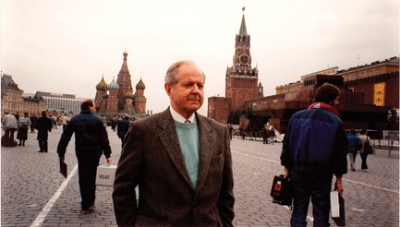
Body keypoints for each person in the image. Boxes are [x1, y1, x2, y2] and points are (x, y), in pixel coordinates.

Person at [112, 60, 235, 226]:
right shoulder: (143, 131)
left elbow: (226, 194)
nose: (196, 91)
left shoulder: (219, 132)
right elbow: (123, 190)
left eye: (200, 85)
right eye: (188, 85)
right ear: (169, 89)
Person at [280, 83, 348, 227]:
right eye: (336, 99)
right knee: (321, 213)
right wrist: (339, 179)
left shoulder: (296, 117)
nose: (337, 103)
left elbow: (287, 145)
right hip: (322, 175)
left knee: (298, 210)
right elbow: (340, 154)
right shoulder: (336, 121)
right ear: (329, 100)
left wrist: (287, 170)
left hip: (298, 172)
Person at [57, 99, 112, 214]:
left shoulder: (75, 119)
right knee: (93, 176)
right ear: (89, 107)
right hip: (95, 152)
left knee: (83, 176)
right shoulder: (98, 120)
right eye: (94, 106)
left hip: (81, 151)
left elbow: (65, 137)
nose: (95, 108)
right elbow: (104, 138)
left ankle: (85, 205)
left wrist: (61, 152)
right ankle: (91, 201)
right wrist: (108, 154)